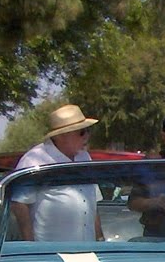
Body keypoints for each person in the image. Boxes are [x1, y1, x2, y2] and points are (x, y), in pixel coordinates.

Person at [9, 103, 102, 242]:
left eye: (88, 130)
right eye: (81, 132)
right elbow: (19, 205)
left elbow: (92, 202)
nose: (86, 136)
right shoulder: (35, 160)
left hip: (88, 251)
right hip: (51, 254)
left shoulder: (85, 158)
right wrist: (30, 246)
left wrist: (100, 240)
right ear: (61, 136)